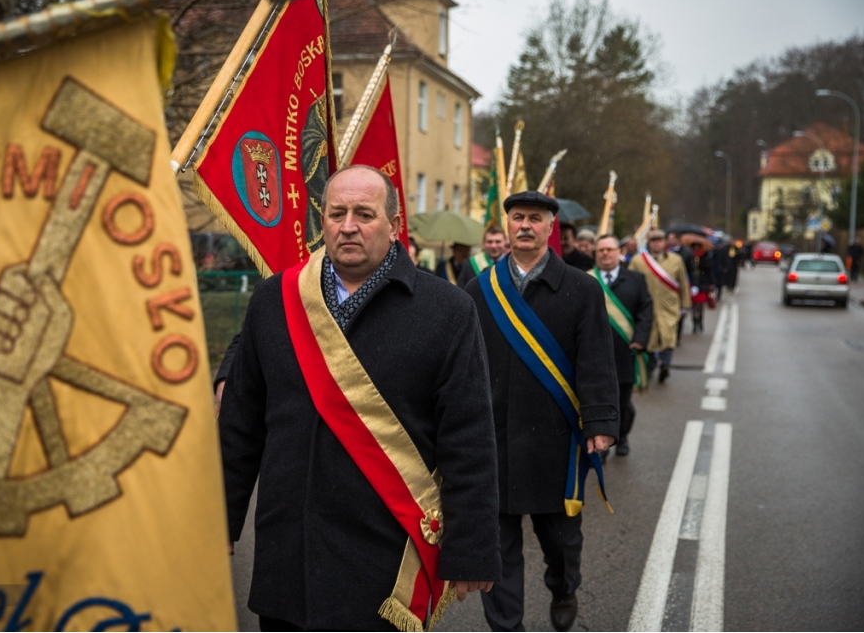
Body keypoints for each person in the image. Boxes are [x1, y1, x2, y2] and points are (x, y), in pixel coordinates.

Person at [219, 166, 500, 631]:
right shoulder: (273, 300)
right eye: (337, 213)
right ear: (322, 222)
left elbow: (469, 438)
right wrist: (220, 520)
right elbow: (239, 425)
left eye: (364, 214)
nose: (348, 225)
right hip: (289, 550)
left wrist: (471, 549)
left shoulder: (447, 310)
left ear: (393, 224)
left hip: (384, 557)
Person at [465, 191, 619, 633]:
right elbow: (464, 364)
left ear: (552, 228)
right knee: (497, 546)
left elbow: (596, 360)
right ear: (507, 225)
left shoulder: (582, 288)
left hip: (557, 440)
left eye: (535, 218)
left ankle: (565, 587)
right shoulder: (480, 289)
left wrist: (602, 423)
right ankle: (507, 626)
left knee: (562, 542)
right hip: (494, 440)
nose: (525, 225)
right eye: (518, 218)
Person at [591, 234, 652, 458]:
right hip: (595, 355)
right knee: (600, 401)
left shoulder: (636, 280)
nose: (605, 254)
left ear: (619, 252)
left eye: (609, 249)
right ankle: (603, 442)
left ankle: (623, 435)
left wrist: (640, 339)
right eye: (600, 251)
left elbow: (646, 312)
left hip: (625, 352)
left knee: (623, 402)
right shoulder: (587, 279)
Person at [629, 230, 691, 384]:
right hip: (646, 308)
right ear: (648, 243)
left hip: (669, 307)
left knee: (668, 338)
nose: (657, 243)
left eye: (660, 240)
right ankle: (650, 366)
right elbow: (628, 283)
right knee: (649, 339)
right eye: (653, 240)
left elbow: (683, 283)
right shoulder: (638, 261)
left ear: (665, 243)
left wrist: (685, 305)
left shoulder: (676, 260)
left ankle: (665, 365)